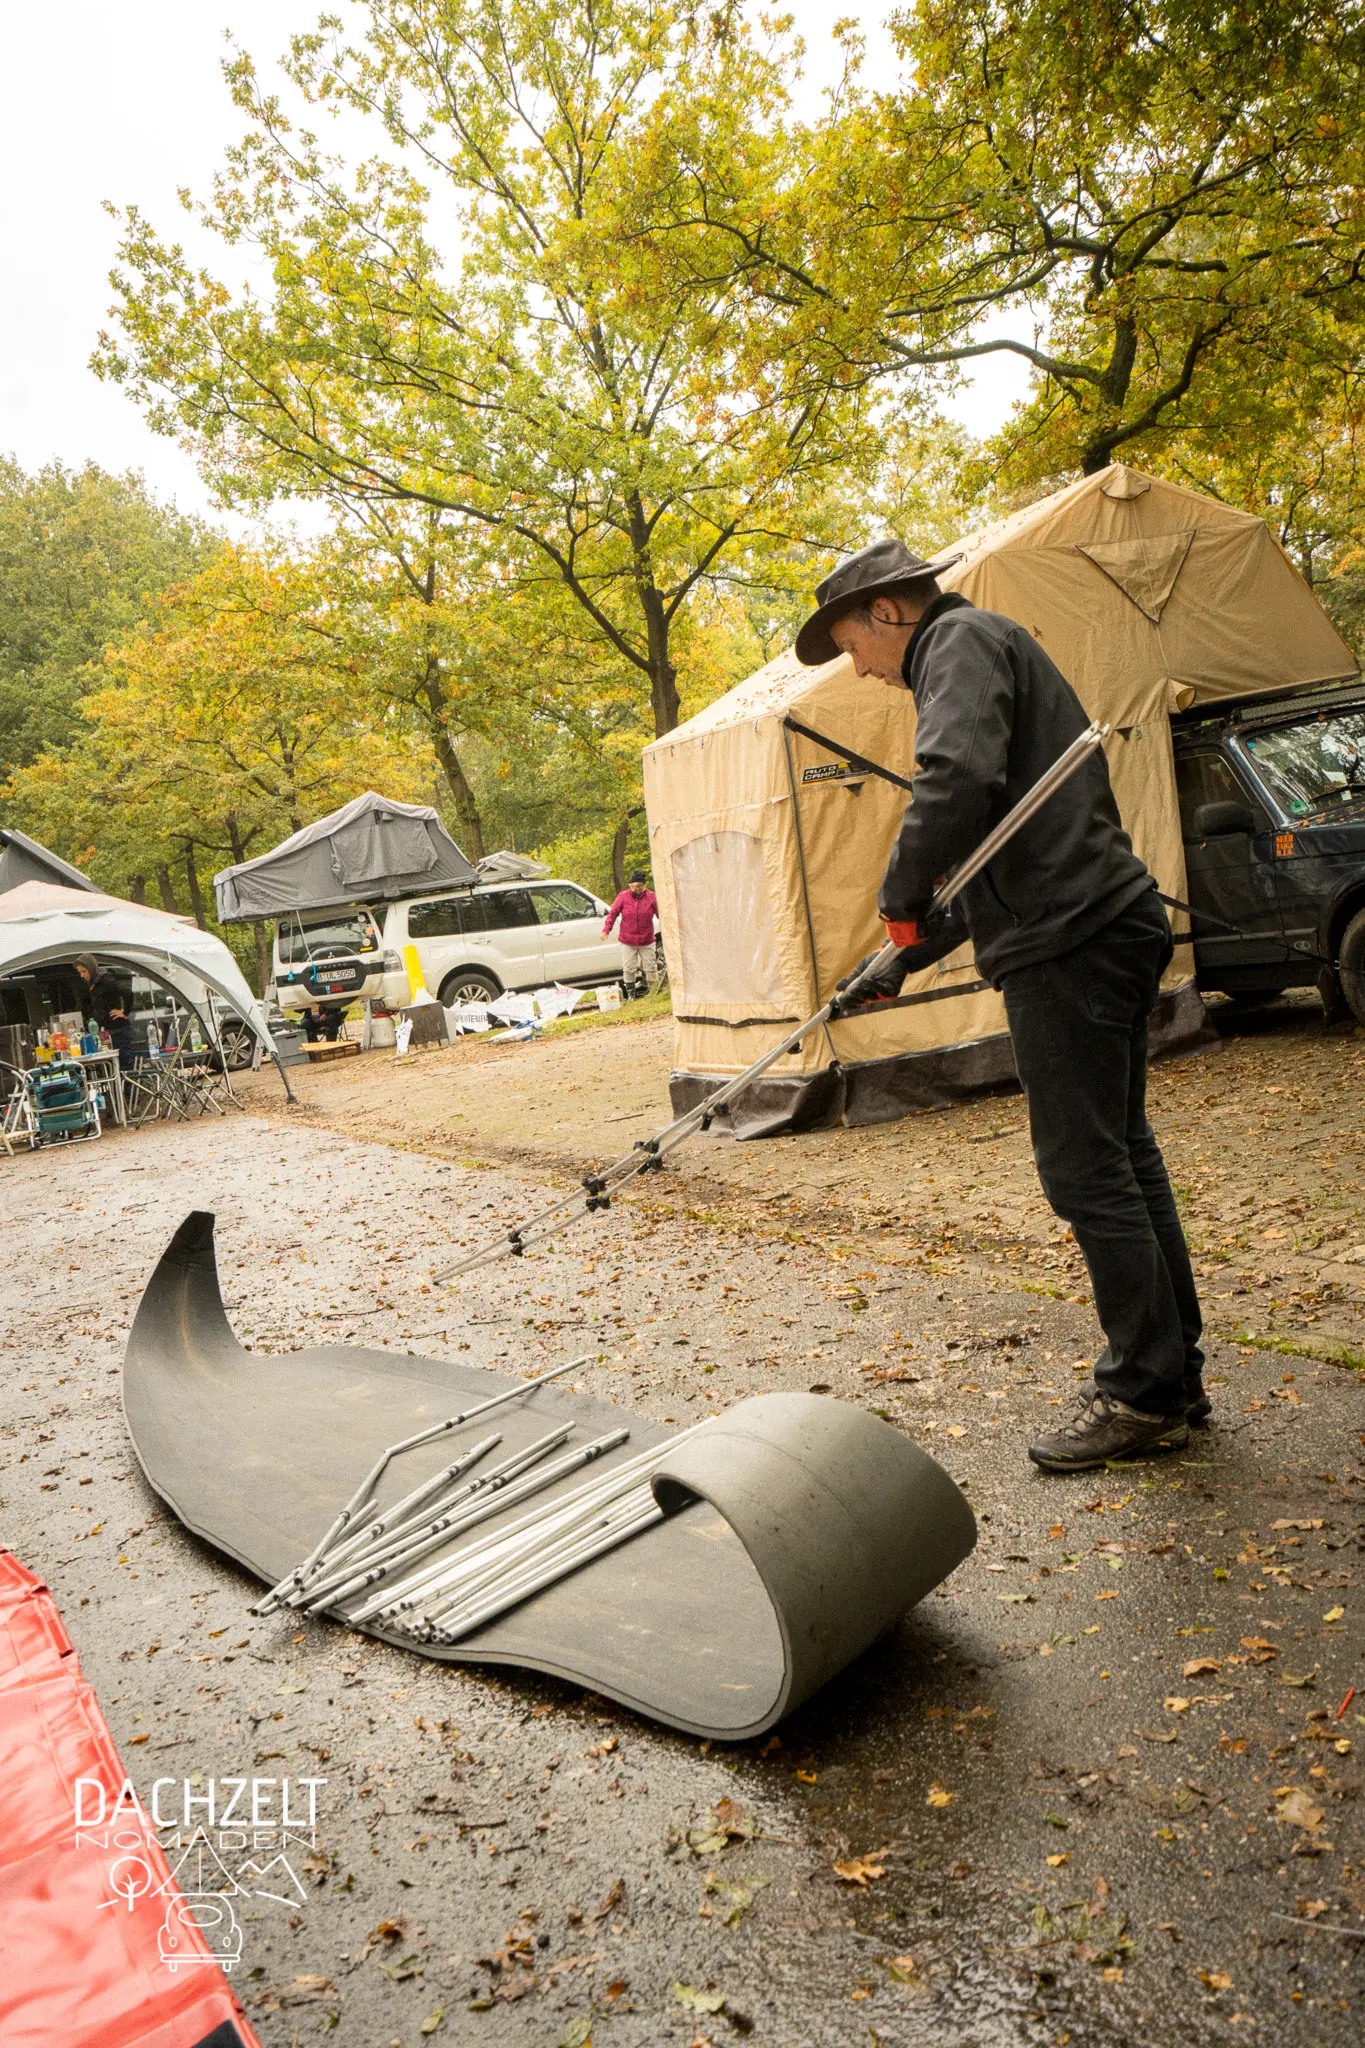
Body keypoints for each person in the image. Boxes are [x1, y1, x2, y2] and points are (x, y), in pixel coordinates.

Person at [796, 537, 1206, 1472]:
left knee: (1083, 1170)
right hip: (1100, 923)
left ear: (886, 611)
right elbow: (994, 843)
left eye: (851, 645)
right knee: (1120, 1156)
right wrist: (902, 955)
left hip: (1072, 940)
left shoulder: (958, 641)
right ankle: (1171, 1376)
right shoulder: (984, 647)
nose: (860, 669)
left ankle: (1142, 1394)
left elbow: (954, 783)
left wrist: (896, 899)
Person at [602, 871, 660, 997]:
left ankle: (654, 992)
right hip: (627, 940)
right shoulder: (623, 897)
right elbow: (613, 914)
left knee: (650, 966)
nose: (637, 889)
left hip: (647, 939)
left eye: (640, 886)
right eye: (634, 886)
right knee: (629, 968)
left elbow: (661, 915)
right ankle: (630, 994)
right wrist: (606, 930)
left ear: (644, 885)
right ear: (630, 886)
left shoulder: (651, 897)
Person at [73, 954, 134, 1073]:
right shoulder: (93, 982)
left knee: (123, 1066)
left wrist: (124, 1011)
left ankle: (128, 1085)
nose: (82, 975)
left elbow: (128, 993)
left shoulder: (106, 980)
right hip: (106, 1032)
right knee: (112, 1068)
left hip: (118, 1030)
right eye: (80, 972)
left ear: (91, 968)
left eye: (84, 971)